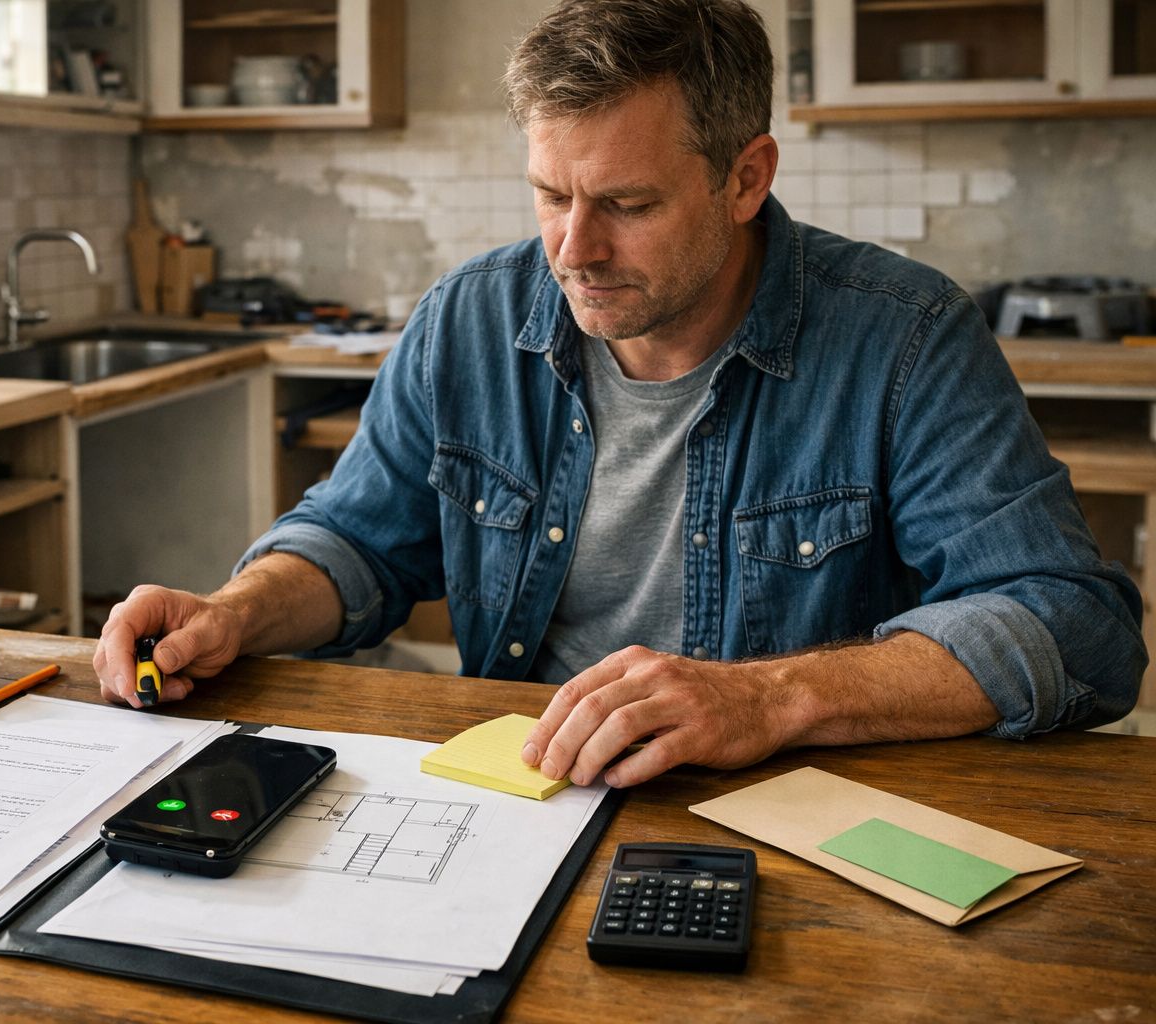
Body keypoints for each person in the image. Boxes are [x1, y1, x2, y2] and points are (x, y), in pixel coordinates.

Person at [96, 0, 1144, 788]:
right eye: (551, 195)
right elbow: (360, 541)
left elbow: (1077, 628)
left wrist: (770, 697)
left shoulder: (903, 336)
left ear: (746, 178)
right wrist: (234, 613)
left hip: (788, 811)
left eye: (627, 204)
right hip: (524, 791)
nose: (573, 248)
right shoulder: (469, 317)